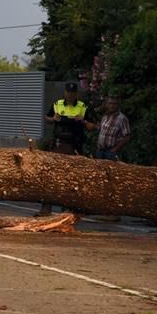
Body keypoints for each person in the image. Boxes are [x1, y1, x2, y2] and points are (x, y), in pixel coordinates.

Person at [38, 82, 96, 215]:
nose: (70, 95)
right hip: (58, 145)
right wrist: (53, 118)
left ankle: (68, 208)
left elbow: (92, 126)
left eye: (73, 93)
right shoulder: (57, 104)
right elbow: (47, 118)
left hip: (75, 147)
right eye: (68, 92)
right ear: (64, 92)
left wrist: (83, 121)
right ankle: (46, 208)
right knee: (51, 176)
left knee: (72, 178)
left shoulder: (83, 107)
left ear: (76, 93)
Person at [96, 95, 131, 161]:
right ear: (107, 105)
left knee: (112, 171)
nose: (112, 106)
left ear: (117, 105)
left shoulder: (122, 118)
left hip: (111, 152)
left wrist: (114, 149)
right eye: (110, 103)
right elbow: (101, 131)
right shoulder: (105, 116)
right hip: (100, 151)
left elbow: (127, 137)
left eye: (114, 104)